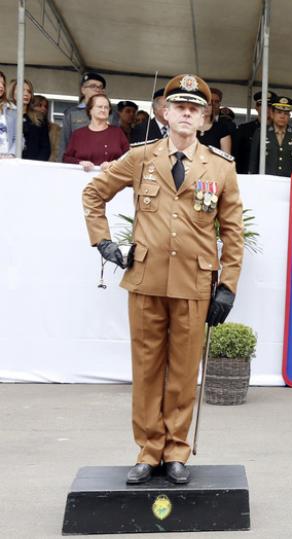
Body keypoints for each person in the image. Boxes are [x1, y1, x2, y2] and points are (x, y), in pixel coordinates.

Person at [81, 74, 243, 485]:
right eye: (179, 107)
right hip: (147, 280)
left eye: (195, 109)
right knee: (148, 369)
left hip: (193, 284)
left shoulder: (221, 168)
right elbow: (94, 194)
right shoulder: (140, 158)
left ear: (204, 118)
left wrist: (227, 286)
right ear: (165, 112)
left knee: (185, 372)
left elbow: (233, 233)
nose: (187, 114)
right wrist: (104, 244)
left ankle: (176, 452)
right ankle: (148, 449)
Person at [63, 94, 129, 169]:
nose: (103, 110)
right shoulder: (78, 134)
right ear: (90, 110)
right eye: (100, 107)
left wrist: (115, 163)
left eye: (106, 107)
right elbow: (66, 158)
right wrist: (80, 162)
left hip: (112, 178)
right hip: (83, 178)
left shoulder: (117, 132)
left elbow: (129, 156)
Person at [60, 72, 117, 160]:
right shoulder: (71, 113)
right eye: (93, 86)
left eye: (100, 87)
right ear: (83, 90)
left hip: (103, 165)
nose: (97, 89)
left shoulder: (110, 114)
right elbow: (64, 143)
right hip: (78, 164)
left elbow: (116, 144)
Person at [253, 96, 292, 176]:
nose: (282, 116)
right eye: (279, 112)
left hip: (289, 183)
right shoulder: (261, 132)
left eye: (286, 113)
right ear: (272, 113)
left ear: (289, 116)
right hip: (266, 182)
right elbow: (253, 161)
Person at [231, 90, 275, 174]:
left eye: (270, 106)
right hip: (248, 177)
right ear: (257, 107)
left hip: (272, 178)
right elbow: (236, 157)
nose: (266, 109)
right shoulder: (244, 129)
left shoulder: (279, 131)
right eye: (262, 105)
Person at [23, 92, 52, 161]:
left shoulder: (43, 123)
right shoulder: (23, 119)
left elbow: (46, 147)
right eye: (39, 105)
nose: (43, 109)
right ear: (32, 105)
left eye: (45, 106)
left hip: (36, 162)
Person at [0, 70, 18, 157]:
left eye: (3, 83)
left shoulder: (11, 108)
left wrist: (12, 154)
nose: (1, 86)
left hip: (7, 160)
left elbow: (19, 138)